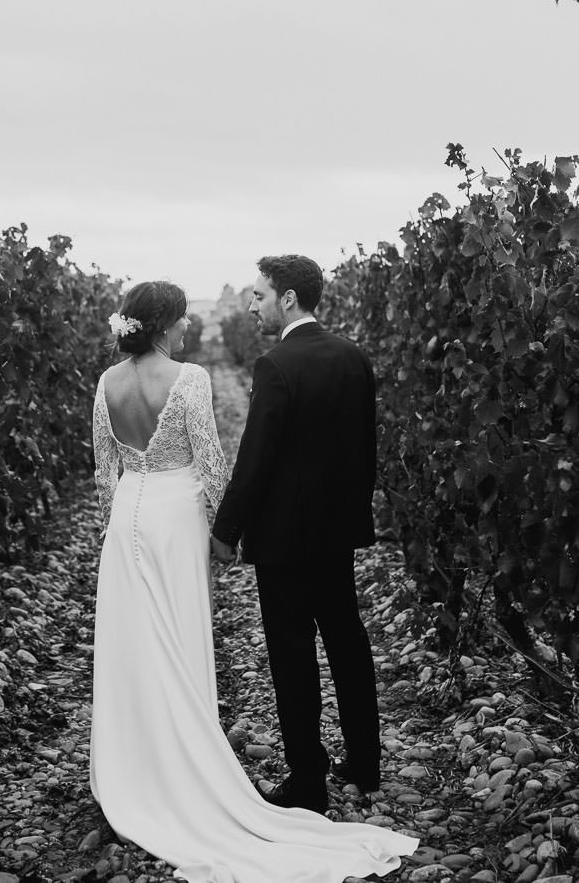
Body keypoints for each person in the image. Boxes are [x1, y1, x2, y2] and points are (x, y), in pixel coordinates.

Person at [89, 279, 415, 883]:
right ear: (162, 326)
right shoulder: (189, 379)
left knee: (133, 645)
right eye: (184, 320)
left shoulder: (107, 384)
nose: (192, 329)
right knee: (184, 642)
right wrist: (217, 531)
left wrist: (132, 518)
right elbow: (211, 463)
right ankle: (206, 767)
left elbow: (104, 472)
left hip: (128, 520)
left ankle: (137, 769)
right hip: (177, 519)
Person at [209, 255, 384, 815]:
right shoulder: (354, 357)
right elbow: (365, 451)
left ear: (287, 299)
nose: (252, 305)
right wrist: (354, 516)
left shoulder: (275, 365)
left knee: (292, 657)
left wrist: (225, 531)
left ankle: (308, 778)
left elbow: (254, 459)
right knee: (348, 643)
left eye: (258, 295)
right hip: (337, 535)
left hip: (285, 540)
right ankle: (365, 763)